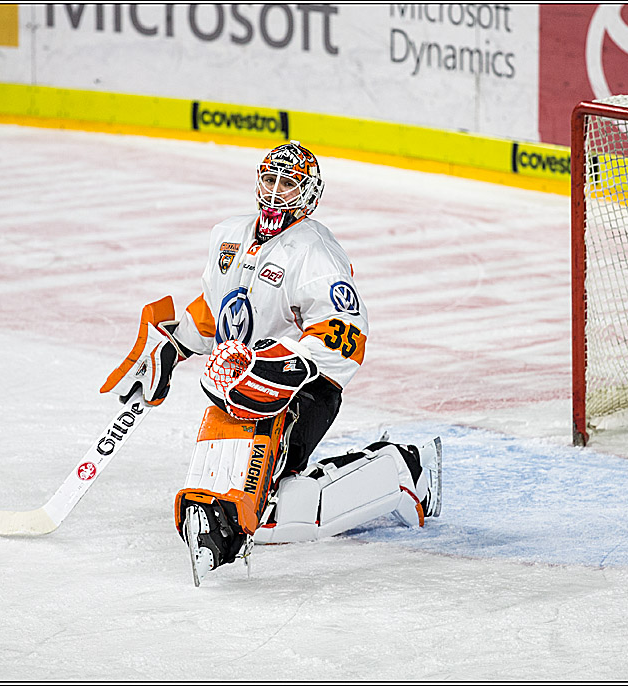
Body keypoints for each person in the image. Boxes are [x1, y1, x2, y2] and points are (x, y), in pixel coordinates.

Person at [99, 141, 441, 583]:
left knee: (279, 514)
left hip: (308, 384)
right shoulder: (229, 235)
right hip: (242, 385)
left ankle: (404, 467)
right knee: (277, 506)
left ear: (309, 194)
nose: (276, 192)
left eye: (288, 183)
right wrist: (174, 344)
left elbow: (346, 334)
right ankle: (223, 506)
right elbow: (218, 310)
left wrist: (287, 364)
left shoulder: (315, 252)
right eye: (269, 180)